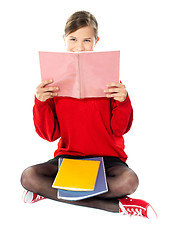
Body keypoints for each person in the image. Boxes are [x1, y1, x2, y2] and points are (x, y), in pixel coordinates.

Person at [21, 11, 157, 219]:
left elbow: (119, 129)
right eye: (73, 39)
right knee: (29, 176)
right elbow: (49, 135)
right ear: (64, 40)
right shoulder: (52, 84)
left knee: (129, 182)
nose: (79, 46)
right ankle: (116, 207)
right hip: (69, 158)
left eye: (87, 40)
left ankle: (50, 193)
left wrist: (123, 101)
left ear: (96, 41)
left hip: (108, 160)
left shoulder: (111, 81)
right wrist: (40, 102)